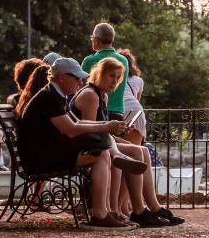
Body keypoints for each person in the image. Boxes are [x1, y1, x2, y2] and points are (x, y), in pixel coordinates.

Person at [18, 57, 141, 230]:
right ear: (62, 77)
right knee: (100, 154)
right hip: (41, 160)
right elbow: (71, 129)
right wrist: (107, 126)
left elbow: (77, 123)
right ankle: (101, 213)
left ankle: (104, 212)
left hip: (47, 153)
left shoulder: (56, 95)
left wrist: (109, 127)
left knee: (102, 150)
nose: (80, 81)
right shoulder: (50, 98)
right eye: (77, 78)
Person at [71, 57, 184, 228]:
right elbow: (90, 131)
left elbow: (101, 131)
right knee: (132, 153)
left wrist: (119, 132)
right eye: (111, 76)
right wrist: (112, 132)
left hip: (98, 141)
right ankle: (130, 210)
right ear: (98, 74)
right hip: (86, 146)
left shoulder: (103, 97)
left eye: (118, 77)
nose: (114, 81)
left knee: (141, 150)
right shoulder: (90, 95)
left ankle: (149, 208)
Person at [82, 22, 131, 120]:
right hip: (118, 112)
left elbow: (80, 86)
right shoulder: (123, 60)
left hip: (96, 112)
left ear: (96, 40)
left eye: (92, 38)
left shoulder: (89, 61)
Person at [118, 48, 146, 144]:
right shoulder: (138, 80)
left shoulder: (113, 80)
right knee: (135, 149)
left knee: (118, 149)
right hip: (136, 112)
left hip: (118, 111)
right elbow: (136, 100)